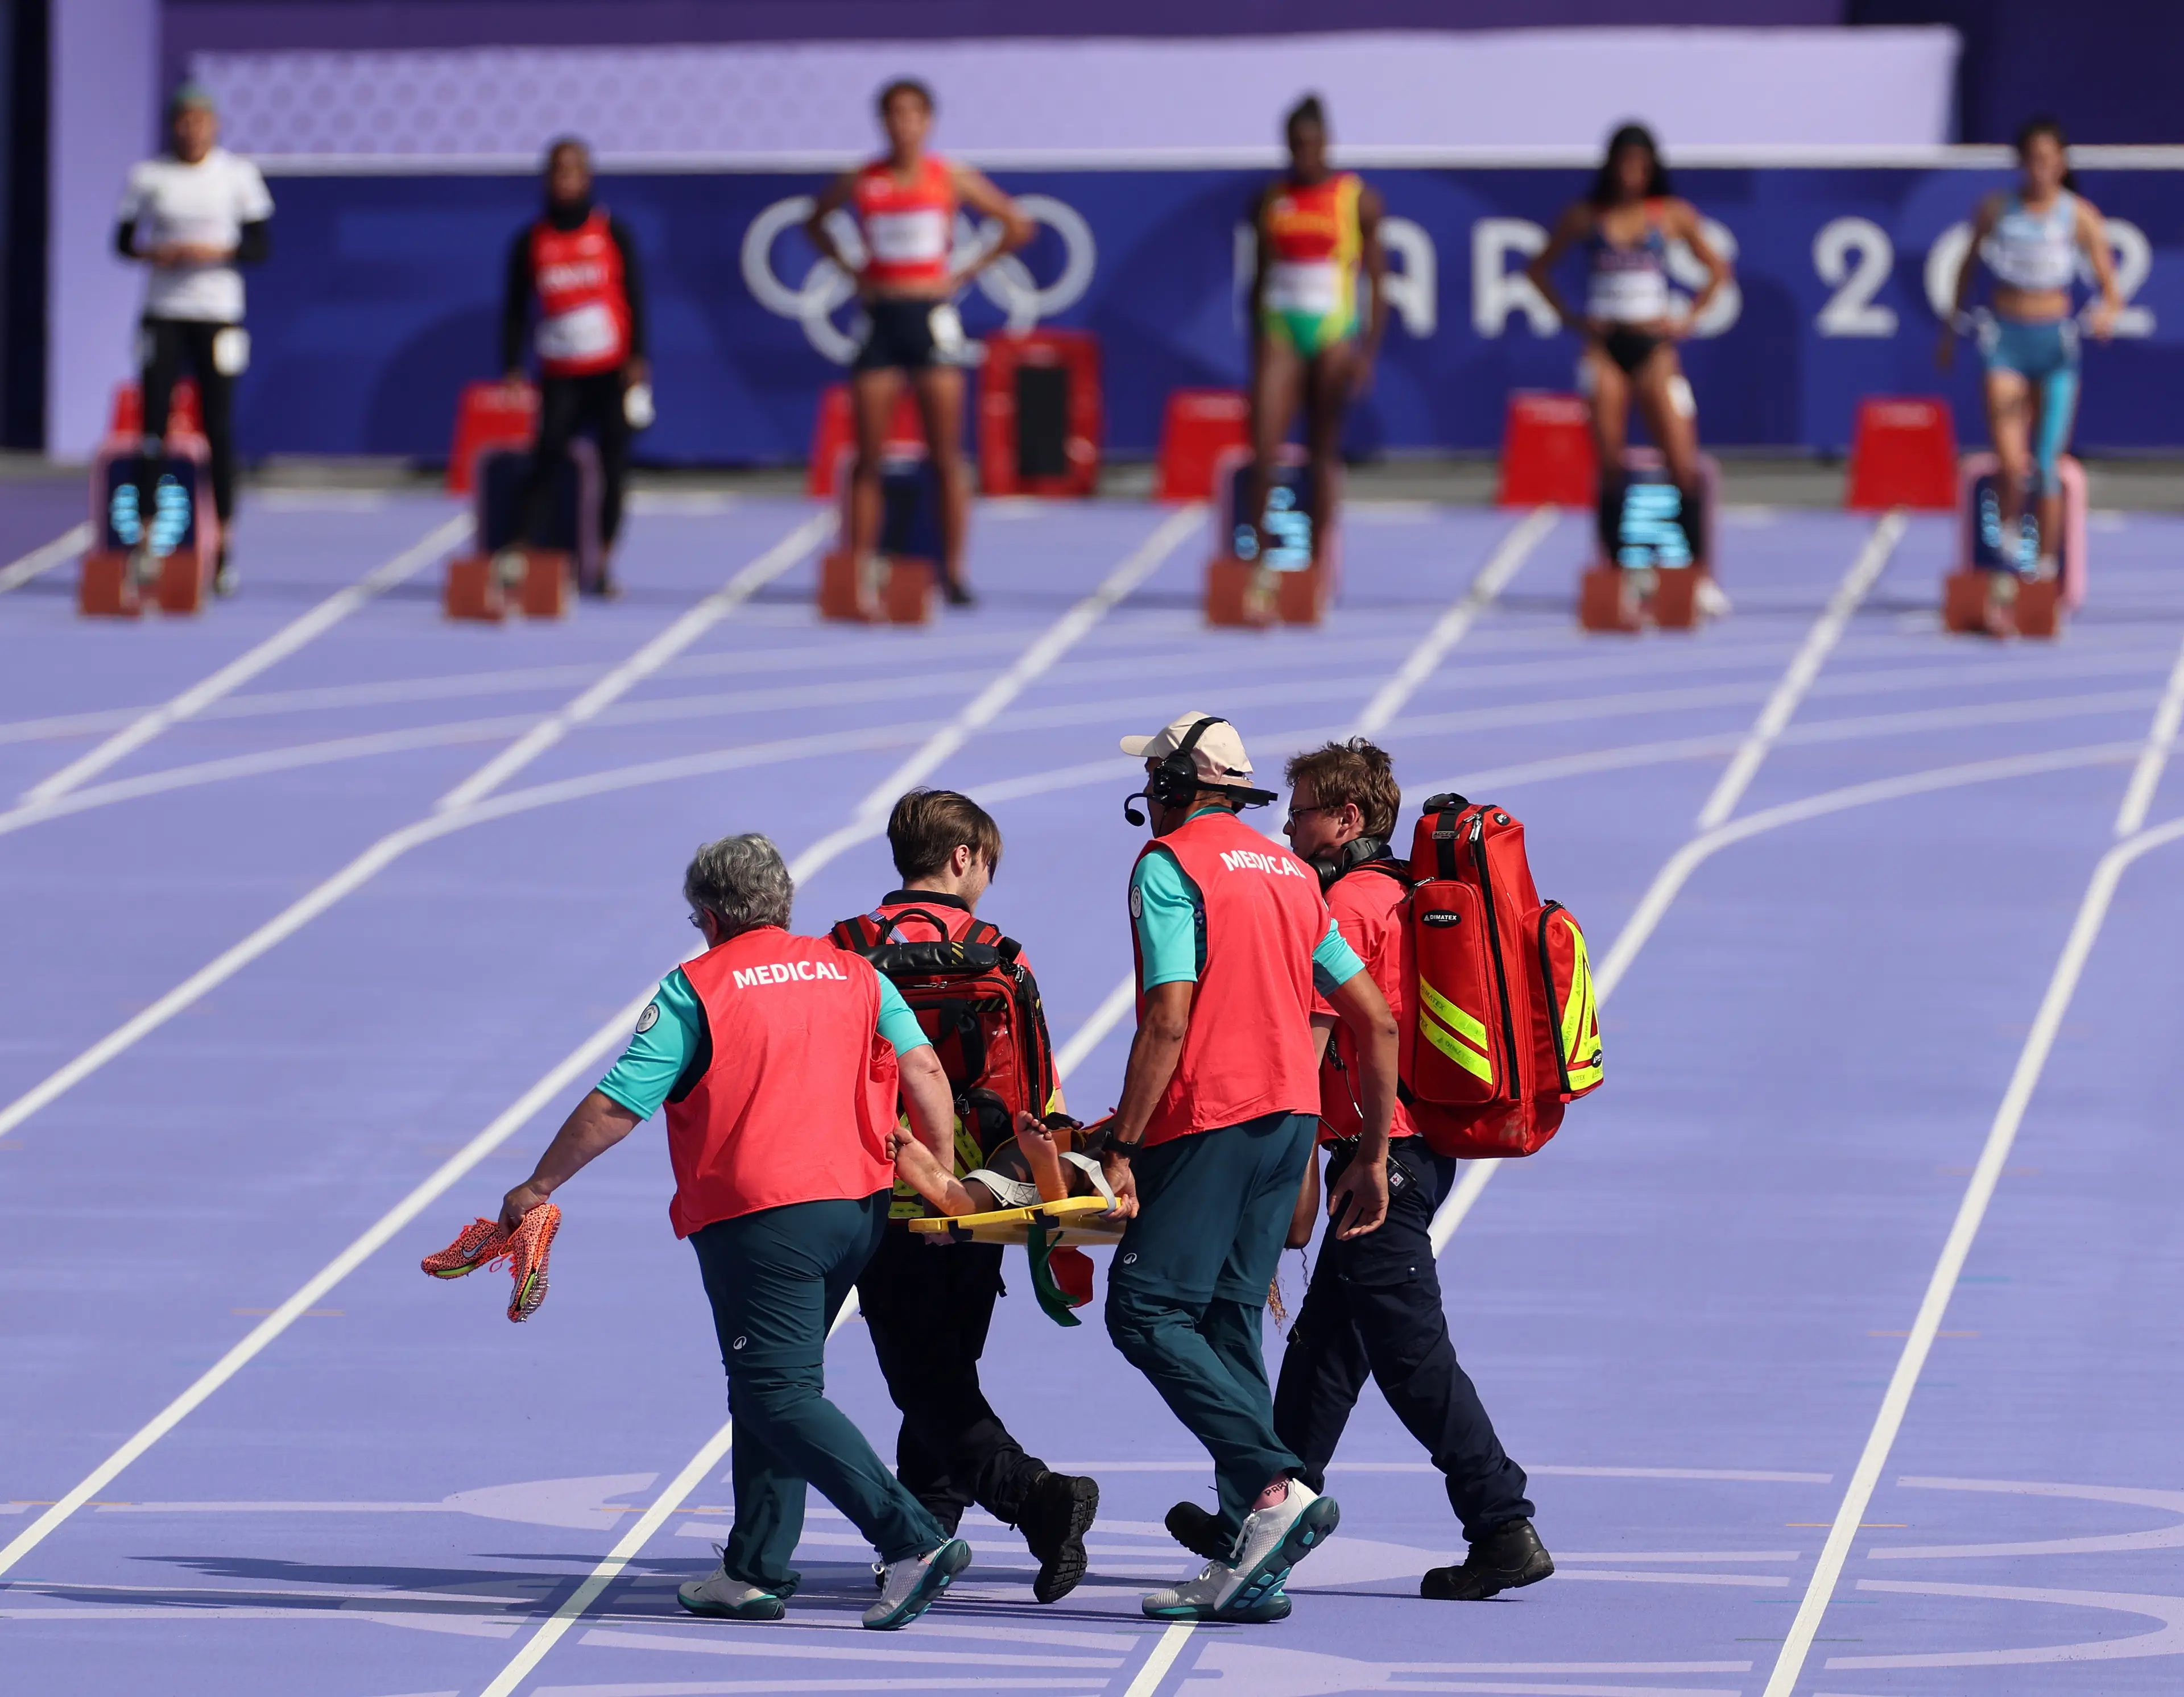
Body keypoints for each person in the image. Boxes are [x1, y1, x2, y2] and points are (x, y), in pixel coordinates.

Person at [487, 833, 971, 1630]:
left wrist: (538, 1184)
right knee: (775, 1385)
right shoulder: (856, 971)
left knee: (776, 1391)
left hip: (762, 1219)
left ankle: (911, 1540)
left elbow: (618, 1105)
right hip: (857, 1211)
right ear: (781, 903)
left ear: (709, 917)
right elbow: (924, 1071)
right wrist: (946, 1180)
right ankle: (752, 1567)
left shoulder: (698, 988)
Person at [1163, 740, 1552, 1600]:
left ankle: (1502, 1524)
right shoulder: (1397, 892)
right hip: (1405, 1151)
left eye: (1298, 810)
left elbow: (1306, 1051)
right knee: (1325, 1350)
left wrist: (1286, 1180)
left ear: (1346, 818)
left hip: (1387, 1161)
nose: (1287, 825)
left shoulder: (1345, 907)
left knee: (1410, 1356)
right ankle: (1268, 1513)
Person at [1096, 711, 1400, 1624]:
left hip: (1209, 1119)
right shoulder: (1297, 878)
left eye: (1157, 778)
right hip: (1290, 1122)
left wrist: (1119, 1146)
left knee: (1145, 1310)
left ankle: (1274, 1489)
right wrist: (1376, 1154)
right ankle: (1247, 1556)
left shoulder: (1169, 866)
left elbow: (1169, 1017)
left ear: (1184, 785)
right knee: (1229, 1324)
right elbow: (1374, 1021)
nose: (1148, 795)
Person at [831, 789, 1102, 1604]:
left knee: (924, 1377)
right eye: (987, 864)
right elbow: (1038, 1092)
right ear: (962, 859)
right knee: (942, 1367)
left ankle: (1037, 1501)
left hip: (884, 1186)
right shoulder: (1000, 957)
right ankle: (930, 1530)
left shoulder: (845, 950)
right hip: (981, 1198)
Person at [805, 80, 1031, 607]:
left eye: (914, 115)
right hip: (881, 317)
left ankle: (953, 571)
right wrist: (849, 269)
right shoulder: (863, 179)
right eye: (894, 115)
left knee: (947, 455)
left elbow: (1017, 225)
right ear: (883, 123)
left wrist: (964, 273)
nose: (904, 125)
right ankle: (859, 565)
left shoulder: (948, 177)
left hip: (930, 316)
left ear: (928, 122)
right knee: (868, 454)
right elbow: (814, 221)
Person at [1525, 123, 1731, 607]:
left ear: (1652, 169)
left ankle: (1694, 575)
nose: (1632, 175)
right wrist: (1572, 318)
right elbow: (1538, 269)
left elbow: (1718, 270)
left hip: (1654, 347)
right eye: (1624, 166)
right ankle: (1618, 570)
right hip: (1606, 347)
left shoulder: (1670, 215)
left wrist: (1687, 318)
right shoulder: (1585, 217)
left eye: (1641, 166)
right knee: (1611, 462)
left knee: (1681, 458)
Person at [1938, 116, 2123, 581]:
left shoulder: (2077, 215)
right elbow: (1966, 266)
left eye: (2048, 160)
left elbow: (2111, 289)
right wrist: (1950, 330)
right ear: (2021, 164)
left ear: (2060, 164)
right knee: (2010, 461)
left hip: (2054, 346)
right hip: (2005, 341)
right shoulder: (1997, 209)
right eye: (2032, 160)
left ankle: (2041, 568)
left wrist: (2105, 314)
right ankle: (2005, 539)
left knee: (2045, 464)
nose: (2040, 170)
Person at [114, 83, 273, 597]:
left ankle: (224, 547)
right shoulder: (149, 176)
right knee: (153, 428)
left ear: (215, 125)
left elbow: (259, 246)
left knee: (219, 431)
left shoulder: (237, 176)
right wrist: (154, 254)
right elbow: (123, 241)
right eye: (184, 120)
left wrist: (212, 250)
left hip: (218, 316)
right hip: (164, 314)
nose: (192, 130)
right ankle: (145, 545)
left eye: (201, 121)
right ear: (173, 125)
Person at [499, 136, 649, 598]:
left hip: (609, 370)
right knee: (546, 459)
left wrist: (639, 358)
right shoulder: (531, 241)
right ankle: (521, 554)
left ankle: (602, 563)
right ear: (548, 179)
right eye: (558, 172)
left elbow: (636, 298)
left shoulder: (612, 233)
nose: (566, 181)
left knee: (614, 467)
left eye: (574, 171)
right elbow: (516, 309)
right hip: (560, 371)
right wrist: (511, 365)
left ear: (587, 178)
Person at [1242, 95, 1385, 569]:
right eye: (1295, 146)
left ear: (1327, 142)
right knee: (1265, 450)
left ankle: (1316, 563)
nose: (1304, 154)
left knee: (1321, 450)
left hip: (1331, 330)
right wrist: (1255, 342)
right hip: (1280, 328)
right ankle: (1259, 561)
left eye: (1312, 144)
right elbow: (1259, 277)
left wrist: (1367, 352)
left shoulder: (1357, 200)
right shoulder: (1270, 200)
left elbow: (1379, 283)